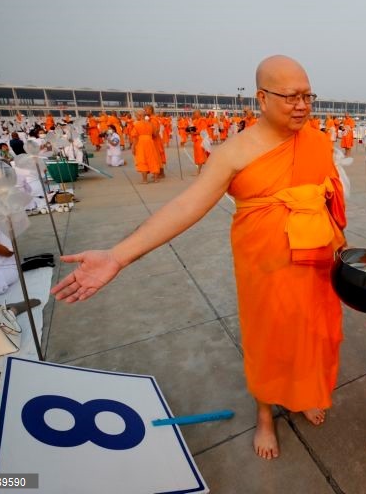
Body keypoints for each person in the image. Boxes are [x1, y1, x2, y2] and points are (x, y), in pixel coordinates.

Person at [51, 55, 347, 461]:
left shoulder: (316, 139)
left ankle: (305, 393)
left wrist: (341, 243)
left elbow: (327, 194)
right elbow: (186, 206)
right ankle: (264, 413)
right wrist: (118, 256)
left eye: (308, 96)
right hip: (265, 265)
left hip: (314, 258)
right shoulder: (236, 151)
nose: (302, 105)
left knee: (312, 333)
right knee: (269, 339)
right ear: (261, 98)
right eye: (291, 96)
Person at [130, 110, 162, 184]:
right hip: (150, 142)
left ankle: (145, 180)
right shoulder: (150, 124)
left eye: (136, 115)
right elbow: (155, 134)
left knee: (142, 160)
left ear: (140, 116)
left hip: (141, 143)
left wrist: (133, 147)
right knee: (153, 158)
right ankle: (156, 179)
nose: (135, 117)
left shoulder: (136, 124)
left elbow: (135, 137)